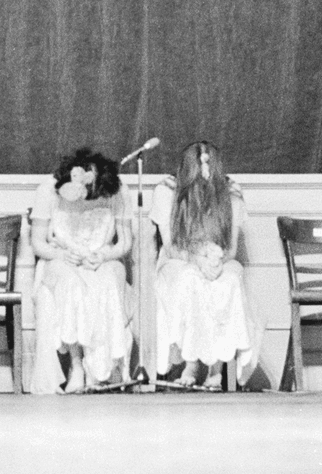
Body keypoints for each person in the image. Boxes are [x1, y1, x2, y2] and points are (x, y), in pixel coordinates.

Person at [150, 140, 263, 389]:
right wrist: (197, 259)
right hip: (179, 259)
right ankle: (191, 363)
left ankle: (217, 367)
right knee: (191, 279)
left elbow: (231, 248)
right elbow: (170, 246)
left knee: (229, 280)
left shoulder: (230, 193)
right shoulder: (167, 190)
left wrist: (215, 261)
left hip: (220, 258)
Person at [28, 147, 134, 394]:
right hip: (60, 259)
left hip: (103, 258)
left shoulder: (118, 190)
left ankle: (103, 369)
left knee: (108, 282)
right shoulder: (49, 190)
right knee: (73, 285)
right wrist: (62, 254)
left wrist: (105, 255)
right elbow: (38, 243)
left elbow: (125, 242)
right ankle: (76, 366)